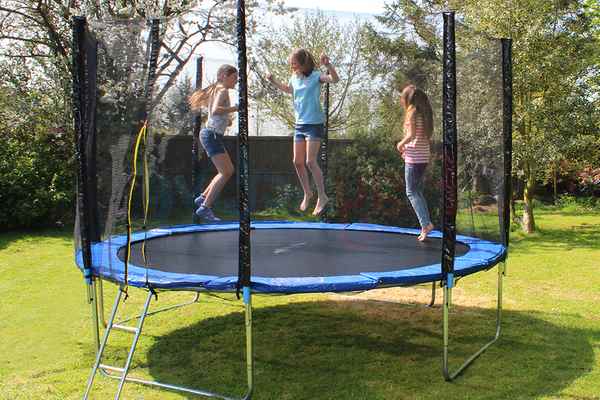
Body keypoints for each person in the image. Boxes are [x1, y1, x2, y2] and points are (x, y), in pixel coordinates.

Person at [267, 49, 339, 216]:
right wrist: (273, 81)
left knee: (310, 161)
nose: (291, 65)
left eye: (294, 62)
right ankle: (308, 192)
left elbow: (335, 79)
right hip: (300, 125)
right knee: (297, 161)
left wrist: (328, 65)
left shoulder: (316, 76)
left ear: (303, 63)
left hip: (314, 124)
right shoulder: (295, 77)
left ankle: (322, 196)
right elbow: (288, 90)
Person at [189, 64, 238, 222]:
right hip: (211, 135)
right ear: (224, 75)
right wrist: (235, 108)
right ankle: (205, 207)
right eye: (234, 77)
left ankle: (203, 198)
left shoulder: (219, 90)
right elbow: (216, 110)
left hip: (212, 134)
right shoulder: (222, 90)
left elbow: (215, 113)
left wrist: (227, 120)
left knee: (227, 171)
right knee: (226, 172)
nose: (236, 81)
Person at [396, 84, 435, 241]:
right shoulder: (425, 114)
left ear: (407, 99)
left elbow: (412, 135)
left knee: (411, 192)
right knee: (418, 192)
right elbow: (420, 137)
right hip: (423, 157)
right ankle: (426, 226)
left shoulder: (412, 112)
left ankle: (425, 224)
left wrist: (401, 144)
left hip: (414, 159)